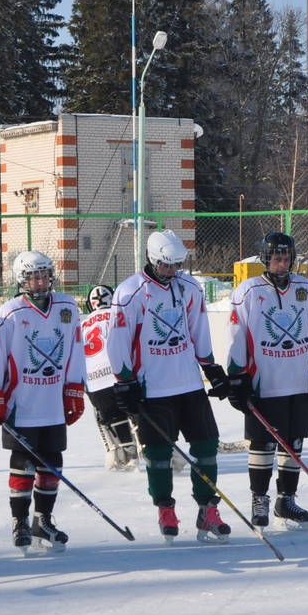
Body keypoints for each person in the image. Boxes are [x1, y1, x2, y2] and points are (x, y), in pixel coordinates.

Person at [108, 229, 232, 543]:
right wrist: (125, 382)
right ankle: (165, 506)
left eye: (177, 265)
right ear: (152, 260)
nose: (171, 272)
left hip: (188, 383)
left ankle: (208, 508)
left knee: (207, 445)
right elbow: (117, 341)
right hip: (153, 387)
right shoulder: (130, 292)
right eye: (166, 266)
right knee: (158, 452)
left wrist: (211, 367)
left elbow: (198, 330)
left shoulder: (189, 287)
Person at [226, 232, 308, 529]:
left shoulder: (304, 289)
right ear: (265, 259)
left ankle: (286, 500)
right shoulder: (248, 291)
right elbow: (236, 337)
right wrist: (237, 376)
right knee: (262, 443)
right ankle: (259, 498)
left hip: (297, 380)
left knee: (293, 441)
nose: (282, 264)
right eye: (276, 259)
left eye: (286, 258)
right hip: (264, 381)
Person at [0, 252, 85, 553]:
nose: (40, 281)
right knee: (23, 463)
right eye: (33, 277)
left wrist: (75, 387)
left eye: (44, 275)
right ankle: (20, 521)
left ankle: (43, 520)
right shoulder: (9, 313)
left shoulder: (67, 307)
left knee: (52, 462)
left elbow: (76, 350)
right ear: (22, 280)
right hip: (21, 403)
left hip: (52, 401)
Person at [81, 283, 138, 471]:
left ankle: (124, 451)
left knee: (110, 415)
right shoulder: (118, 315)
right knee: (136, 409)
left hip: (94, 379)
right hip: (118, 372)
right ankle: (148, 446)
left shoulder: (82, 324)